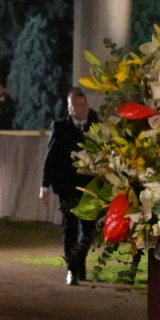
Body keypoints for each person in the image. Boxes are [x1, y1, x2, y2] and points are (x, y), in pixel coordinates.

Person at [40, 87, 100, 286]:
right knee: (71, 228)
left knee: (90, 229)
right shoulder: (60, 127)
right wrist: (44, 185)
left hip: (91, 187)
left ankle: (79, 260)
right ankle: (72, 270)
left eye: (85, 105)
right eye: (78, 105)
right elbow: (50, 157)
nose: (83, 109)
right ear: (70, 108)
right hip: (67, 186)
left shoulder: (96, 123)